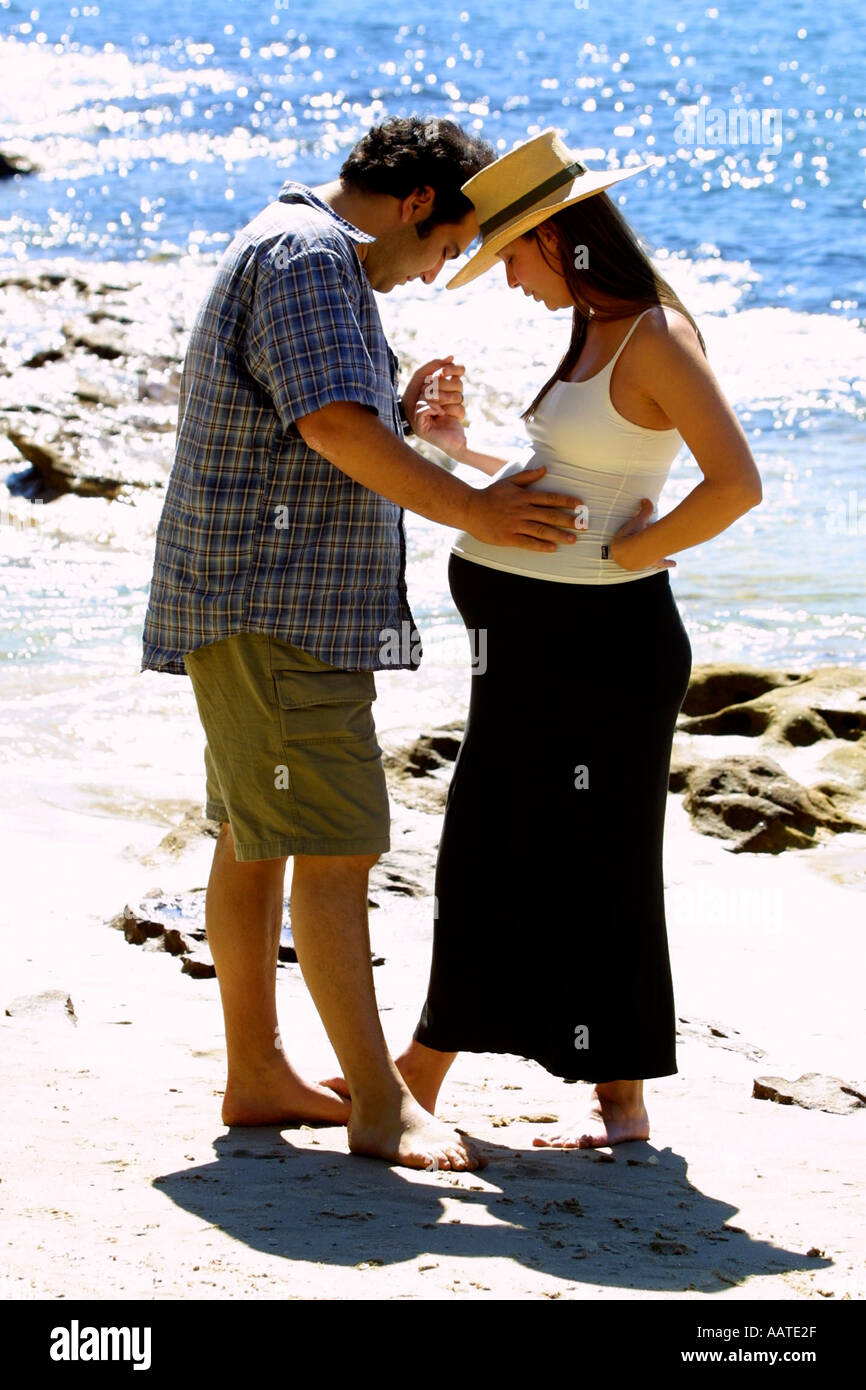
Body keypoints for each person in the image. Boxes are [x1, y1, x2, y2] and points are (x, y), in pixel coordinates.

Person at [141, 116, 583, 1172]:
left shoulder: (292, 245)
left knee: (255, 839)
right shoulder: (308, 256)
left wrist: (408, 419)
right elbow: (331, 427)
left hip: (248, 600)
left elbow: (334, 419)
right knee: (338, 850)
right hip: (277, 607)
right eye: (443, 248)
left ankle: (257, 1072)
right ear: (420, 201)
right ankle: (380, 1105)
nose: (436, 274)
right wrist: (476, 507)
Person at [391, 128, 763, 1149]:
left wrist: (638, 551)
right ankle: (471, 1072)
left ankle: (594, 1093)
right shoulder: (593, 334)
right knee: (496, 844)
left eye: (508, 254)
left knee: (586, 855)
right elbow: (577, 471)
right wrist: (455, 448)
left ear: (555, 236)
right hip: (529, 635)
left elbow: (733, 483)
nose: (505, 279)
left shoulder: (653, 334)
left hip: (600, 645)